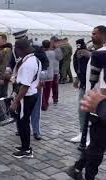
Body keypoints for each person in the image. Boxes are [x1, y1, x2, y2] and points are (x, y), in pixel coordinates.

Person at [66, 25, 106, 180]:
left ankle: (77, 168)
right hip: (100, 105)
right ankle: (84, 173)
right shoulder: (100, 54)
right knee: (97, 146)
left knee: (97, 144)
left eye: (94, 34)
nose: (91, 36)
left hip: (97, 103)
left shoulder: (97, 53)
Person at [10, 38, 42, 158]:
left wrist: (16, 101)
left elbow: (25, 86)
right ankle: (24, 145)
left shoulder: (28, 64)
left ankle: (26, 149)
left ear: (20, 50)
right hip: (30, 95)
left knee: (23, 122)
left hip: (26, 97)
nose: (15, 52)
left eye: (16, 49)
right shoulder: (34, 59)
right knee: (22, 121)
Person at [70, 39, 90, 143]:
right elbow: (79, 67)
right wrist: (77, 79)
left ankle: (91, 136)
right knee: (81, 110)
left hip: (94, 87)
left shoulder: (94, 52)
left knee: (93, 112)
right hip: (83, 85)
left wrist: (90, 54)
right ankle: (82, 133)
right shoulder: (77, 54)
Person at [0, 34, 13, 98]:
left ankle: (4, 106)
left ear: (4, 40)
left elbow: (5, 63)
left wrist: (2, 78)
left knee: (2, 93)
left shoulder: (7, 50)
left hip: (3, 74)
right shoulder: (1, 49)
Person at [41, 40, 58, 111]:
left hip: (43, 73)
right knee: (47, 90)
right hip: (51, 73)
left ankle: (44, 104)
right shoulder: (54, 53)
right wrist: (56, 72)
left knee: (43, 90)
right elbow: (56, 63)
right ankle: (46, 103)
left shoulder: (42, 53)